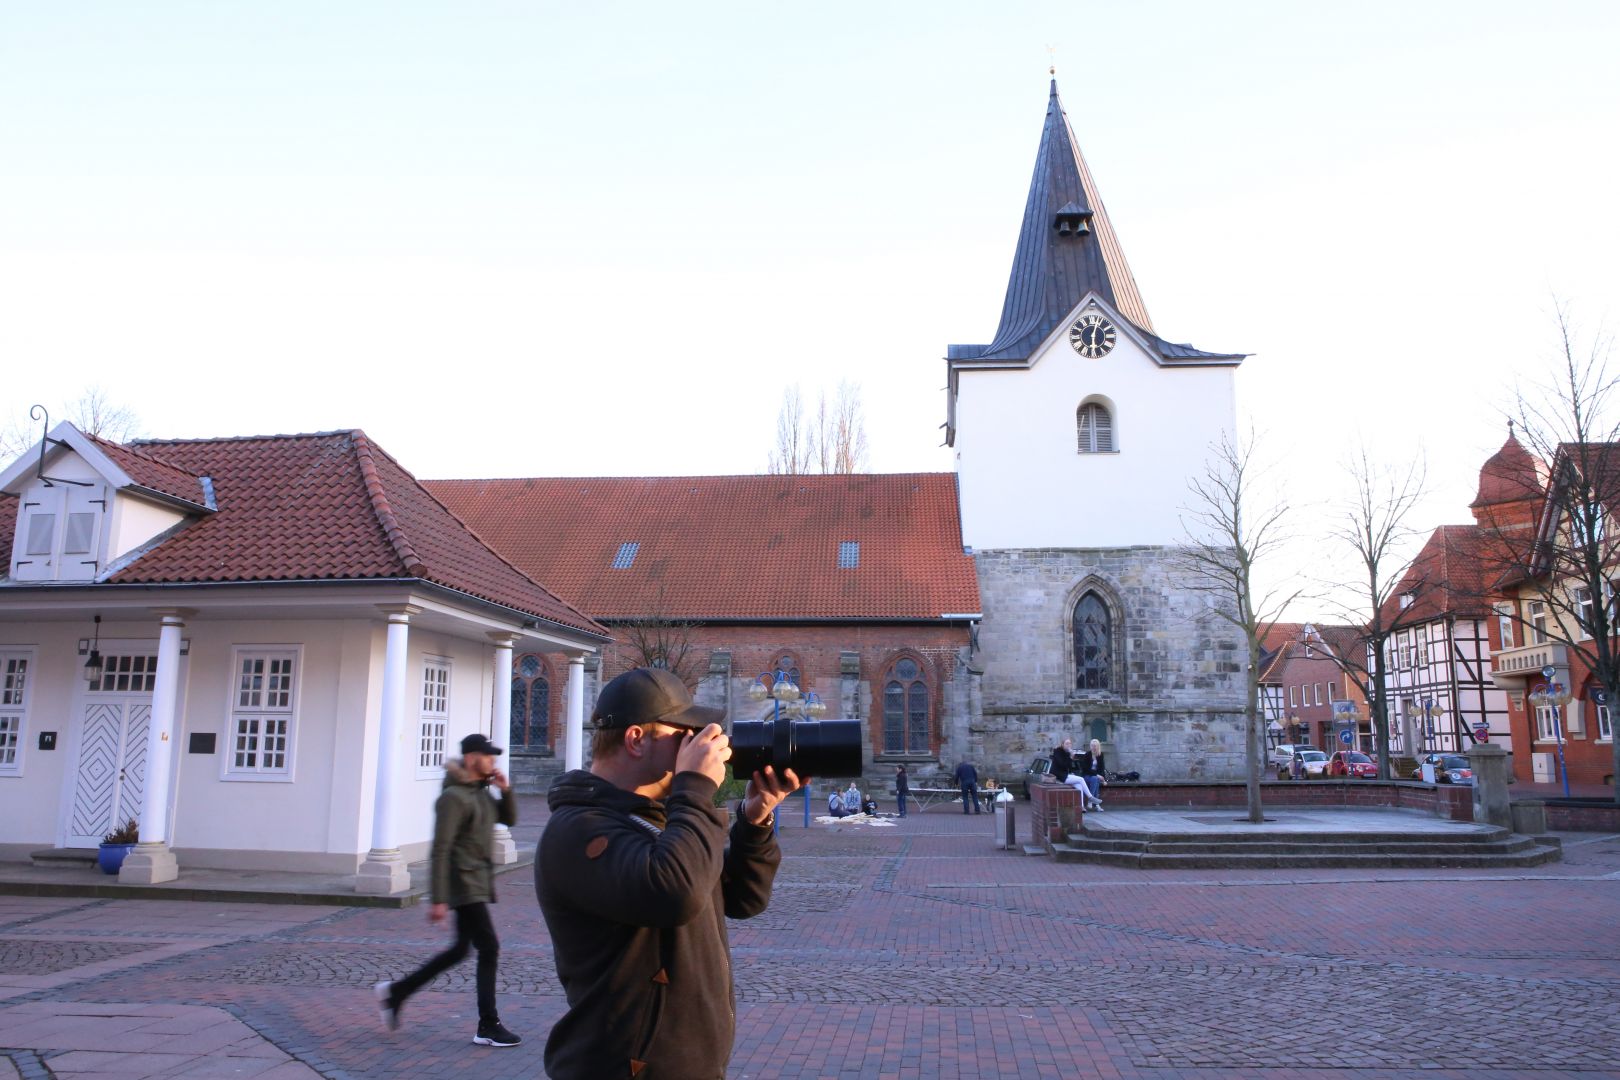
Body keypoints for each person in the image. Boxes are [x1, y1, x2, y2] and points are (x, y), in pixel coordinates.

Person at [535, 667, 802, 1080]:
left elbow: (742, 899)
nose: (695, 743)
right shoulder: (578, 829)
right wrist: (694, 787)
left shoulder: (658, 819)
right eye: (684, 733)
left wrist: (754, 819)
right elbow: (673, 893)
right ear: (636, 739)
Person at [375, 733, 520, 1047]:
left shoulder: (480, 792)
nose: (493, 762)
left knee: (460, 950)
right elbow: (441, 849)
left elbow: (508, 819)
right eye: (488, 757)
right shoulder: (453, 798)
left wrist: (504, 790)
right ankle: (488, 1024)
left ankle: (396, 993)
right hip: (463, 883)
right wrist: (438, 899)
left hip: (478, 881)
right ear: (471, 759)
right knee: (490, 948)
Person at [1076, 738, 1107, 812]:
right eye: (1092, 746)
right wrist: (1097, 775)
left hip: (1095, 777)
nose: (1094, 747)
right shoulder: (1087, 755)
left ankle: (1093, 802)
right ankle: (1094, 803)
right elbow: (1085, 769)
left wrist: (1103, 779)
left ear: (1098, 746)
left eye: (1095, 746)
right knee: (1095, 779)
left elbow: (1102, 768)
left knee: (1095, 780)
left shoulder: (1100, 755)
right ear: (1090, 746)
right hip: (1087, 776)